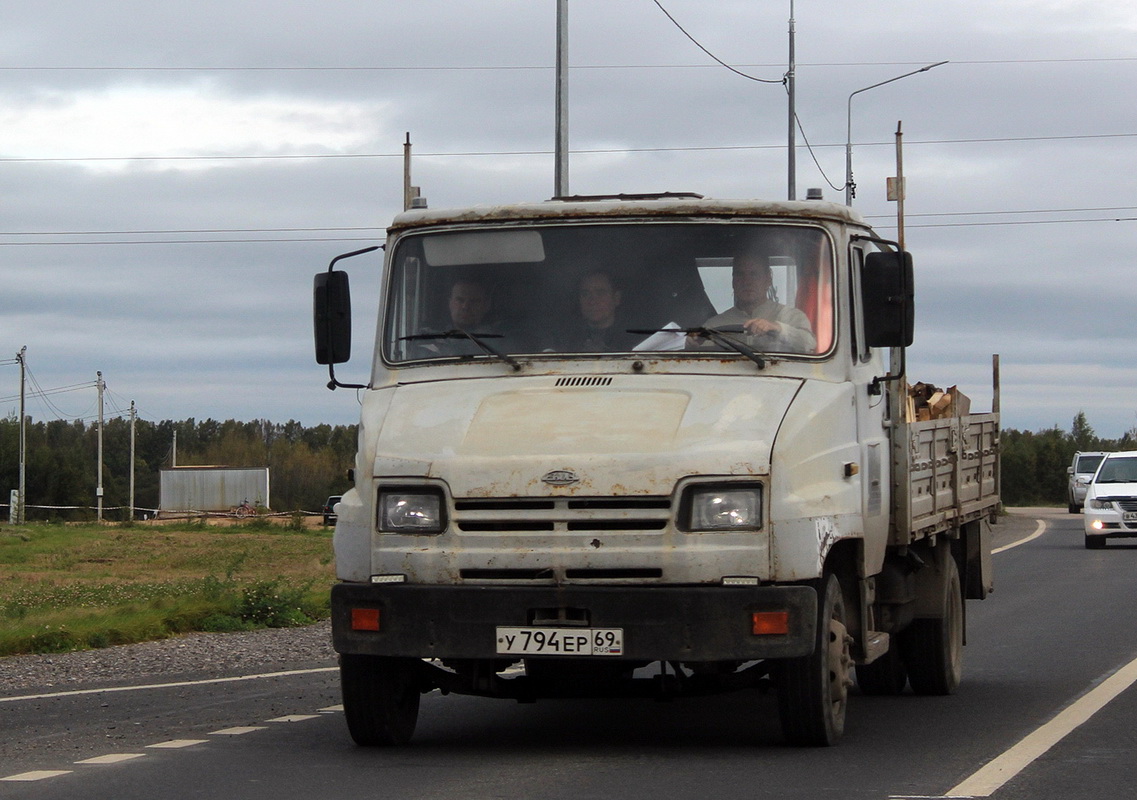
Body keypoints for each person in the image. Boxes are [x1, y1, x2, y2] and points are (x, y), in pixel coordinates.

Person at [696, 250, 816, 354]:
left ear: (768, 279)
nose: (747, 281)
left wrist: (777, 328)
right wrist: (690, 343)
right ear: (733, 281)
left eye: (754, 274)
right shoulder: (713, 325)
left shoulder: (791, 317)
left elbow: (809, 345)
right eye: (740, 274)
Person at [568, 271, 641, 352]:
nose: (592, 301)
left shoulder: (636, 340)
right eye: (585, 294)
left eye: (600, 293)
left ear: (616, 298)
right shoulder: (565, 340)